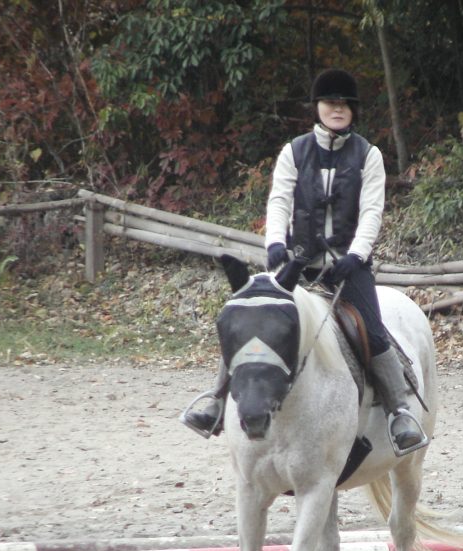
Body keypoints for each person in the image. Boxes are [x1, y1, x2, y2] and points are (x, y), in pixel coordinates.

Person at [181, 68, 428, 455]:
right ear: (317, 107)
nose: (337, 109)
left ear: (353, 110)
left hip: (348, 268)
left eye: (344, 104)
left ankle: (399, 413)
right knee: (253, 318)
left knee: (372, 331)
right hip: (298, 266)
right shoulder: (294, 151)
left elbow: (371, 211)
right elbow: (279, 201)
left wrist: (356, 255)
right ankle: (215, 400)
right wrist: (275, 244)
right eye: (330, 102)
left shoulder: (369, 154)